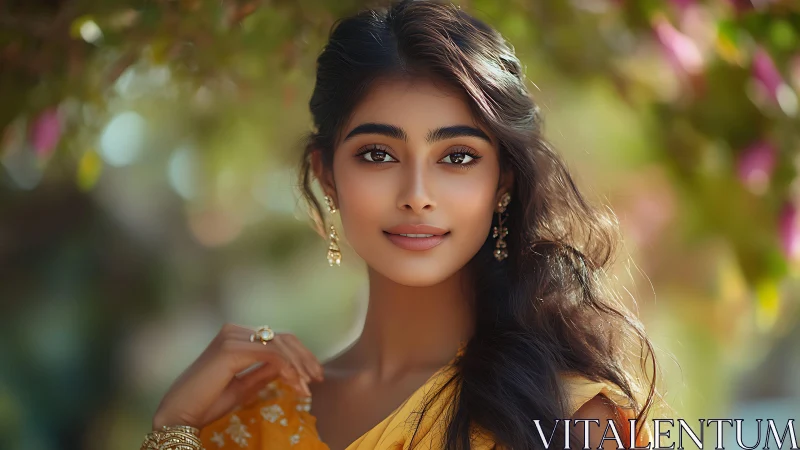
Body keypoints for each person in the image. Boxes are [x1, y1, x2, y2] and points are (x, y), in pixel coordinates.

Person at [141, 0, 662, 448]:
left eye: (457, 157)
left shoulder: (569, 418)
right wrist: (174, 427)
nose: (416, 195)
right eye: (377, 154)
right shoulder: (247, 426)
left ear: (503, 180)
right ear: (327, 175)